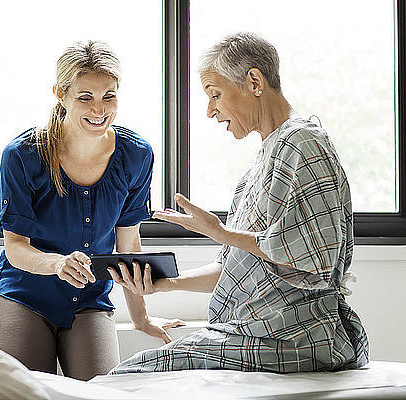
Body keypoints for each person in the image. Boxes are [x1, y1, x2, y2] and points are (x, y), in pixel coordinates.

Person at [108, 32, 369, 374]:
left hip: (297, 337)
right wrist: (167, 284)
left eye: (215, 94)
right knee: (127, 376)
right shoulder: (258, 166)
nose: (209, 111)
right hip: (254, 332)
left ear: (255, 81)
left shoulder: (303, 143)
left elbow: (314, 260)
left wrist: (219, 232)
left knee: (129, 376)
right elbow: (236, 267)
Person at [0, 40, 183, 381]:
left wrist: (140, 319)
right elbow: (15, 248)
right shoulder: (22, 156)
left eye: (109, 95)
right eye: (85, 97)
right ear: (60, 95)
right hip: (24, 296)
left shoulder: (137, 155)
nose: (99, 109)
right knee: (30, 391)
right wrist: (57, 264)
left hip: (90, 300)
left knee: (99, 392)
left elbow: (128, 244)